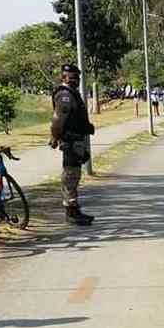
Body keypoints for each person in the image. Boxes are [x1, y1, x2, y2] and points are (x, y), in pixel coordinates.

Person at [49, 64, 96, 226]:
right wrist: (55, 137)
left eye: (77, 76)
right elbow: (58, 120)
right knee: (70, 175)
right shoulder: (65, 95)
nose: (75, 79)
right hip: (70, 141)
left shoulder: (72, 93)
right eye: (71, 76)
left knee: (74, 174)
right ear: (63, 77)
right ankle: (71, 212)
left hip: (76, 140)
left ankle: (75, 209)